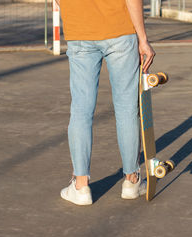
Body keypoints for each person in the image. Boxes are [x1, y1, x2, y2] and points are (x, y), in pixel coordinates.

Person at [57, 0, 156, 205]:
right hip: (120, 31)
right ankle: (131, 181)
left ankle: (81, 185)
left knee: (81, 111)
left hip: (80, 31)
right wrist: (143, 39)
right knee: (127, 109)